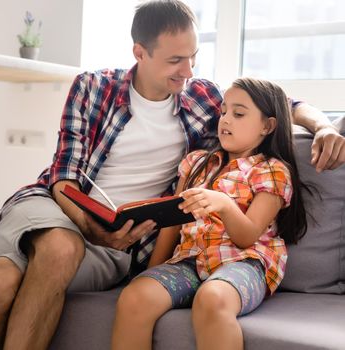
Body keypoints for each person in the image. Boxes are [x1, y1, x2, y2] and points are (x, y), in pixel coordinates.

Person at [0, 1, 345, 349]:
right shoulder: (93, 87)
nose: (188, 70)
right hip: (57, 208)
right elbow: (64, 178)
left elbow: (278, 102)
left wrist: (323, 126)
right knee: (59, 247)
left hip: (121, 237)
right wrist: (92, 229)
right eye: (176, 60)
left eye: (193, 57)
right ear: (140, 52)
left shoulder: (200, 97)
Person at [111, 77, 310, 350]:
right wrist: (153, 271)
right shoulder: (196, 163)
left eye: (238, 114)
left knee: (212, 298)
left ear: (268, 125)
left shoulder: (271, 171)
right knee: (135, 296)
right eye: (224, 111)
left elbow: (248, 235)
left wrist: (225, 204)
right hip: (189, 262)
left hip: (245, 262)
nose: (226, 119)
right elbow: (172, 225)